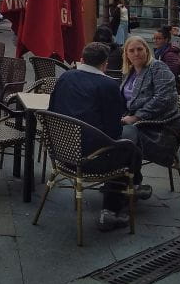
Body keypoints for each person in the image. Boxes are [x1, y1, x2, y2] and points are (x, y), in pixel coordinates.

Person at [48, 42, 145, 232]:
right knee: (129, 144)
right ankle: (111, 209)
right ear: (105, 64)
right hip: (91, 160)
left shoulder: (65, 77)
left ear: (82, 60)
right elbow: (113, 132)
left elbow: (52, 109)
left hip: (60, 154)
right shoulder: (108, 85)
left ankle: (134, 184)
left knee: (128, 142)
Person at [119, 36, 179, 168]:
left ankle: (129, 177)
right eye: (131, 51)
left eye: (140, 49)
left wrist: (136, 117)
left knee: (119, 139)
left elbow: (164, 98)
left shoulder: (158, 67)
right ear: (126, 55)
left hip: (157, 128)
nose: (136, 53)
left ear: (147, 50)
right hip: (135, 123)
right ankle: (119, 176)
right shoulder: (130, 71)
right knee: (104, 130)